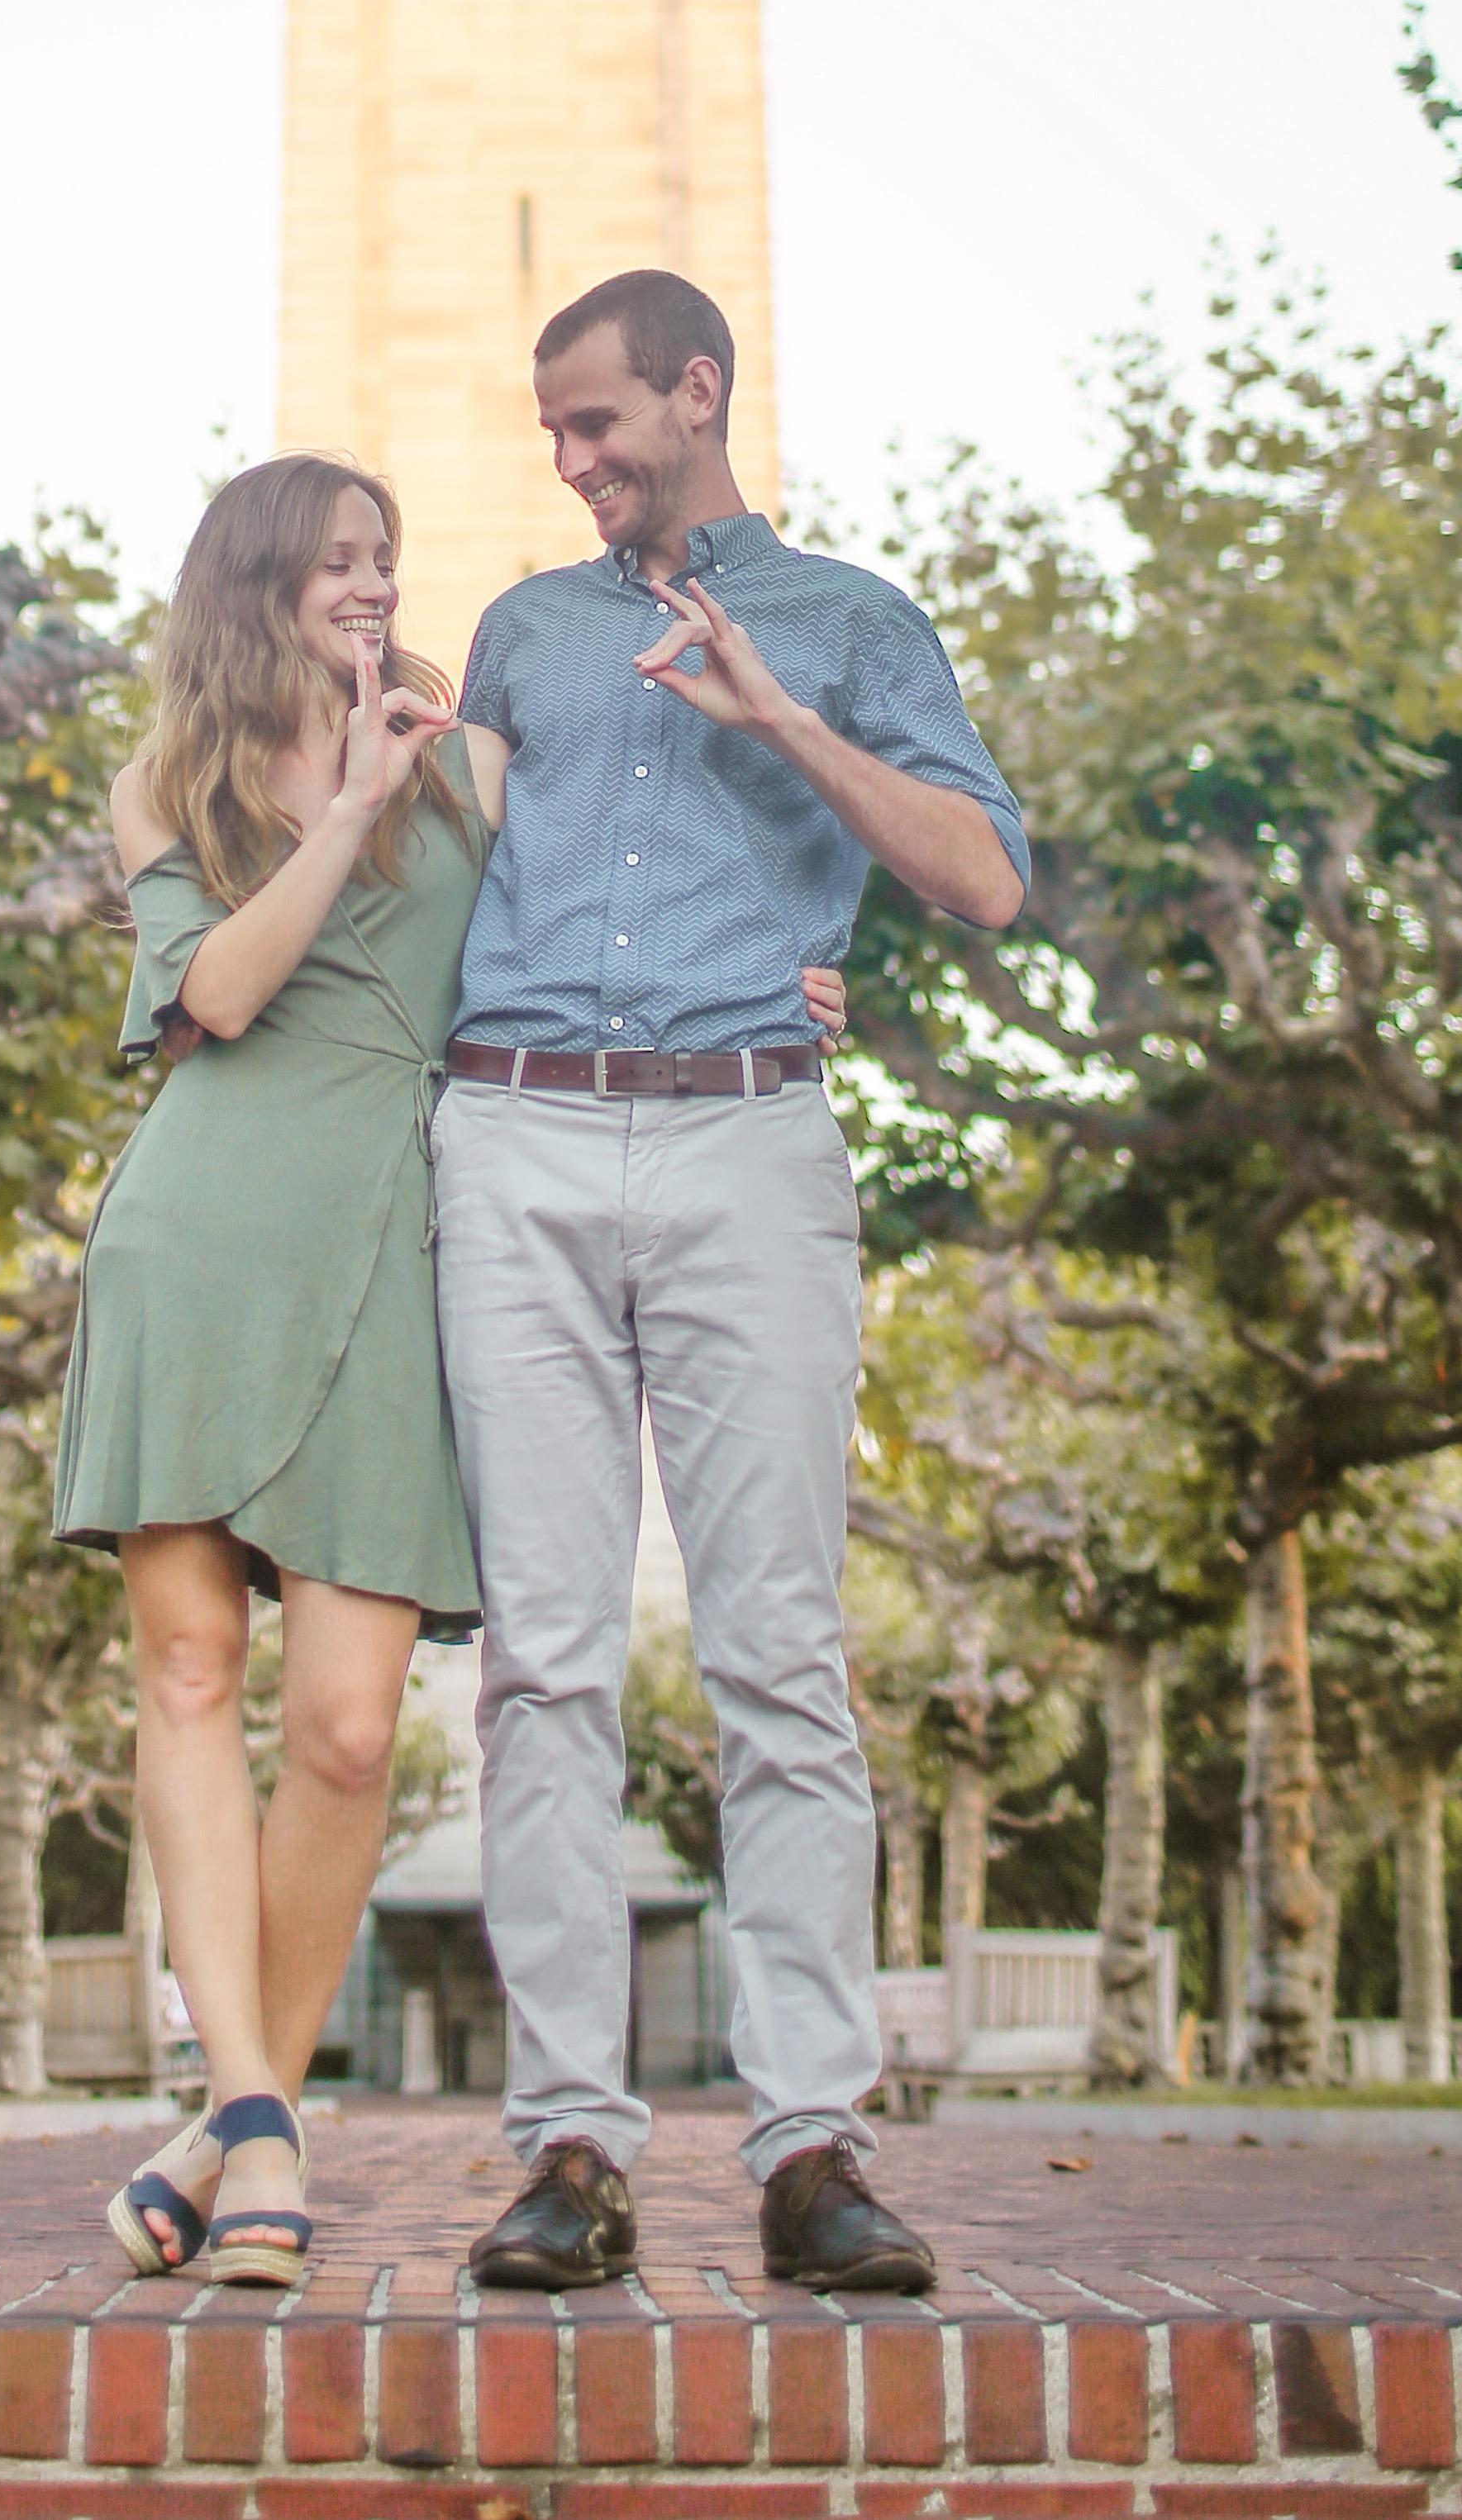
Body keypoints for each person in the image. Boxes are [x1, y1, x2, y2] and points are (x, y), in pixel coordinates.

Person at [50, 453, 850, 2280]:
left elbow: (631, 905)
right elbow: (221, 998)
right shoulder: (166, 786)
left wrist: (780, 976)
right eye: (337, 560)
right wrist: (342, 812)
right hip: (202, 1232)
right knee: (188, 1675)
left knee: (341, 1732)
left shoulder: (472, 757)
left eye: (384, 559)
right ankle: (262, 2121)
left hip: (399, 1245)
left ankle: (221, 2122)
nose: (371, 585)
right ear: (256, 580)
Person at [433, 272, 1028, 2297]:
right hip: (508, 1132)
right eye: (557, 439)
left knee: (782, 1651)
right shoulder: (526, 630)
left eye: (601, 425)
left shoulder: (858, 624)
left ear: (699, 392)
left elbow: (982, 872)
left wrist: (779, 716)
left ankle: (807, 2146)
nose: (577, 464)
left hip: (747, 1138)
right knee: (543, 1662)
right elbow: (445, 875)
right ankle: (572, 2151)